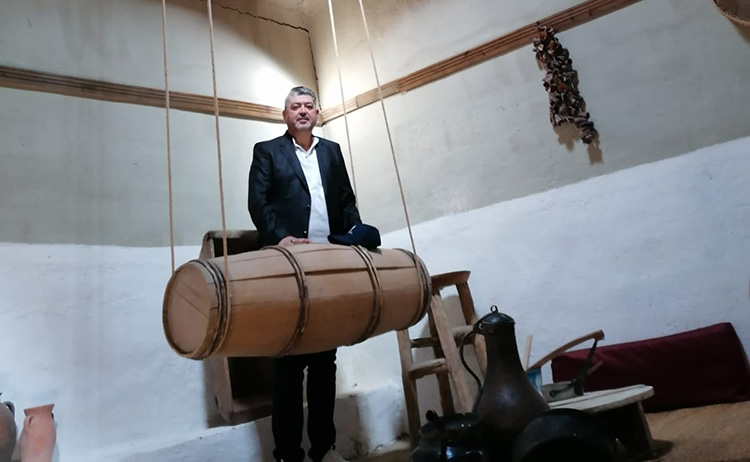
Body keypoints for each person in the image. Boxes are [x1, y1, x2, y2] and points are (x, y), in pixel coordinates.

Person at [248, 86, 361, 462]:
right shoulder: (267, 151)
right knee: (288, 365)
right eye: (295, 107)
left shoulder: (332, 151)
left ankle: (324, 449)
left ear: (317, 113)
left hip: (328, 266)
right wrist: (280, 238)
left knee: (324, 363)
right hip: (287, 267)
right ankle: (287, 454)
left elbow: (345, 199)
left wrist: (355, 236)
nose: (302, 111)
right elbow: (258, 202)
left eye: (308, 106)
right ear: (285, 115)